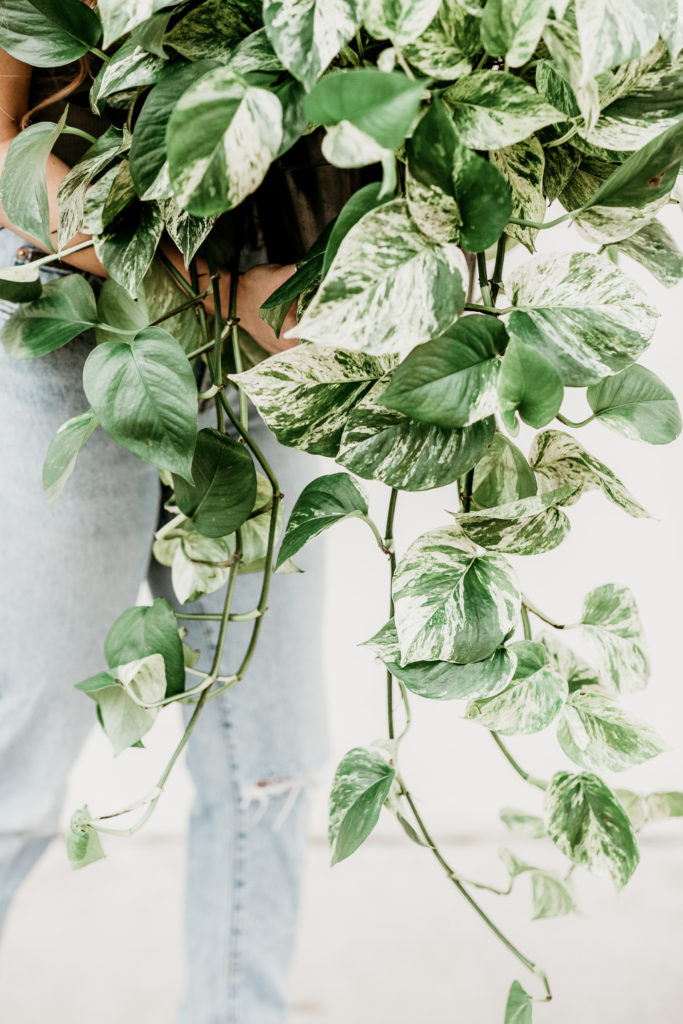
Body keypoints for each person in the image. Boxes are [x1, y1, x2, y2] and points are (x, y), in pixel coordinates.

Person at [0, 43, 362, 1023]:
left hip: (273, 330)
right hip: (75, 323)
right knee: (22, 766)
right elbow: (3, 156)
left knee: (271, 764)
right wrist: (208, 298)